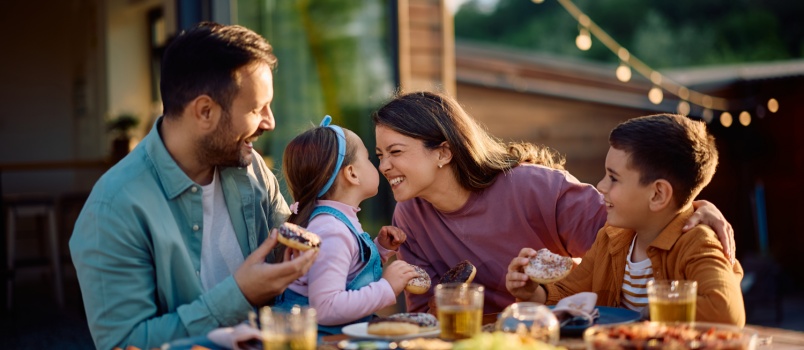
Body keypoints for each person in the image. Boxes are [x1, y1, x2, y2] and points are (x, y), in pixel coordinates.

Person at [69, 22, 318, 349]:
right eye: (257, 108)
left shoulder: (251, 167)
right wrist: (241, 294)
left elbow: (292, 255)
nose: (270, 122)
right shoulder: (113, 210)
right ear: (204, 111)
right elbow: (125, 342)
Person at [372, 91, 736, 314]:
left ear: (443, 153)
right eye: (379, 154)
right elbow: (424, 315)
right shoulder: (409, 217)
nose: (384, 165)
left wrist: (695, 209)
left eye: (395, 152)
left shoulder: (536, 188)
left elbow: (630, 227)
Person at [506, 114, 745, 325]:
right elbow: (569, 292)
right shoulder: (611, 238)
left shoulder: (697, 242)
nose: (600, 186)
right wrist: (534, 292)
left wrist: (647, 313)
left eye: (614, 178)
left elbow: (726, 311)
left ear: (657, 194)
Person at [273, 116, 418, 335]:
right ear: (352, 173)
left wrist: (380, 249)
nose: (379, 166)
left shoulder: (335, 223)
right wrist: (387, 287)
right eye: (369, 158)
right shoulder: (331, 230)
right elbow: (326, 308)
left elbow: (347, 271)